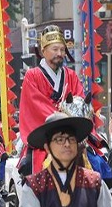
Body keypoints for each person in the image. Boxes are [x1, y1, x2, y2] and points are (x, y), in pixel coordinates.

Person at [18, 25, 86, 175]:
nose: (59, 53)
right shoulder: (32, 76)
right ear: (43, 51)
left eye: (62, 50)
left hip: (70, 129)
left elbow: (79, 99)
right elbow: (35, 106)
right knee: (29, 163)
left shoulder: (71, 75)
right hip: (44, 131)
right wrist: (62, 117)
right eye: (55, 49)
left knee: (97, 159)